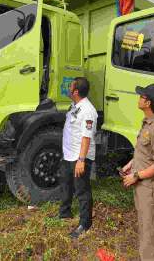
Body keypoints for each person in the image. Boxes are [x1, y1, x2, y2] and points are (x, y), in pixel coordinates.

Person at [121, 84, 154, 261]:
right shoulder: (148, 123)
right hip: (143, 187)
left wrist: (136, 176)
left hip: (149, 189)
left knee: (150, 233)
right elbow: (146, 152)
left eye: (142, 96)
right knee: (145, 227)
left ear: (148, 102)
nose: (139, 98)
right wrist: (131, 164)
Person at [60, 77, 98, 239]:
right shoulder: (75, 106)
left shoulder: (88, 111)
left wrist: (81, 160)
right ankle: (64, 213)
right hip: (69, 155)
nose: (68, 88)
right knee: (66, 184)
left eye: (70, 86)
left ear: (76, 91)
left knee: (82, 190)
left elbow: (86, 137)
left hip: (79, 157)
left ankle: (85, 223)